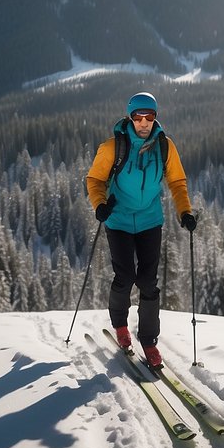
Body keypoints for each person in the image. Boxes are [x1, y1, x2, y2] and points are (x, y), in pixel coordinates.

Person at [85, 91, 197, 367]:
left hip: (149, 220)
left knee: (148, 282)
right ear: (130, 117)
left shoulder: (164, 146)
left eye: (150, 116)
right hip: (119, 219)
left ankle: (149, 342)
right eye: (138, 116)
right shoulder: (113, 147)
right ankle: (120, 327)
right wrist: (100, 205)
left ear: (156, 117)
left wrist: (185, 211)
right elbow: (95, 179)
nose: (144, 122)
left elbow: (177, 182)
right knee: (124, 276)